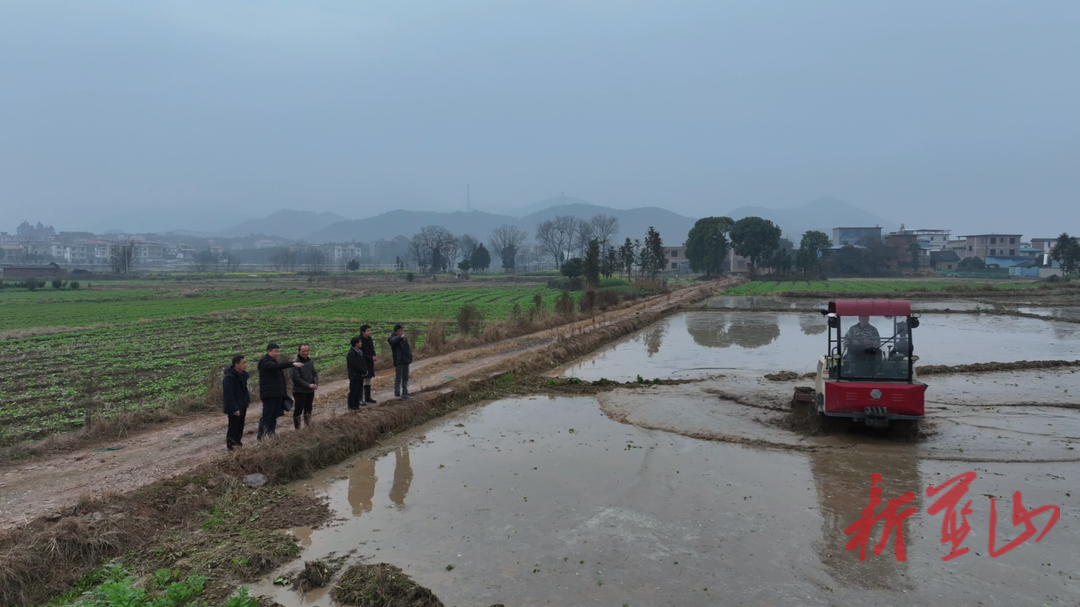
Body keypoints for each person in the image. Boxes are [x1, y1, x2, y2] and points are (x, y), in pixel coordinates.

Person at [257, 343, 304, 440]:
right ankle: (261, 438)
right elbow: (276, 366)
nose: (277, 354)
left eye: (278, 351)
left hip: (277, 394)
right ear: (269, 351)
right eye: (275, 352)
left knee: (273, 416)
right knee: (266, 417)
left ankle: (271, 436)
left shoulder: (272, 362)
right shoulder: (265, 362)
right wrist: (292, 363)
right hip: (270, 395)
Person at [222, 355, 250, 451]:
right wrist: (234, 408)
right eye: (243, 363)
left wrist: (247, 401)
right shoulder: (229, 378)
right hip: (234, 407)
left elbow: (244, 390)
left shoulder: (242, 375)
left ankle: (238, 444)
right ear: (236, 364)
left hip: (242, 405)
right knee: (233, 427)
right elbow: (229, 395)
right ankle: (231, 447)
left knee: (240, 426)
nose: (245, 365)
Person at [290, 344, 319, 429]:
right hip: (299, 391)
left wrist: (315, 383)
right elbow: (296, 378)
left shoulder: (310, 361)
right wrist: (308, 385)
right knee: (298, 410)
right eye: (303, 351)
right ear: (299, 351)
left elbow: (314, 373)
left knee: (308, 408)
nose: (306, 353)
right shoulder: (295, 363)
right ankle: (297, 429)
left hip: (310, 390)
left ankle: (308, 426)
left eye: (307, 351)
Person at [388, 324, 413, 399]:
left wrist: (410, 357)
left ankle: (405, 393)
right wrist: (400, 337)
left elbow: (407, 348)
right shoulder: (392, 338)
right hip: (399, 361)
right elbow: (392, 341)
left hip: (406, 360)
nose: (401, 332)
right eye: (399, 331)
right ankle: (397, 394)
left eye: (402, 331)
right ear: (396, 332)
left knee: (405, 377)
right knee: (398, 378)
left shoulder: (404, 339)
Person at [347, 335, 369, 410]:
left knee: (359, 391)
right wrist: (363, 371)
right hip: (354, 375)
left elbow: (363, 363)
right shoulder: (351, 354)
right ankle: (352, 406)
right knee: (353, 391)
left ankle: (356, 406)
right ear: (356, 344)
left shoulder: (360, 352)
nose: (361, 343)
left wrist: (365, 370)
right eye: (360, 342)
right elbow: (355, 365)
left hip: (360, 375)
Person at [359, 325, 378, 404]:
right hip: (363, 363)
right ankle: (360, 398)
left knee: (368, 380)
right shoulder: (359, 340)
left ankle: (368, 397)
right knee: (361, 381)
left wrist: (374, 356)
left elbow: (372, 349)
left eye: (370, 330)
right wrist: (370, 357)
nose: (370, 332)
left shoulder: (370, 339)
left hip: (370, 362)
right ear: (363, 332)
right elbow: (361, 353)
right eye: (368, 331)